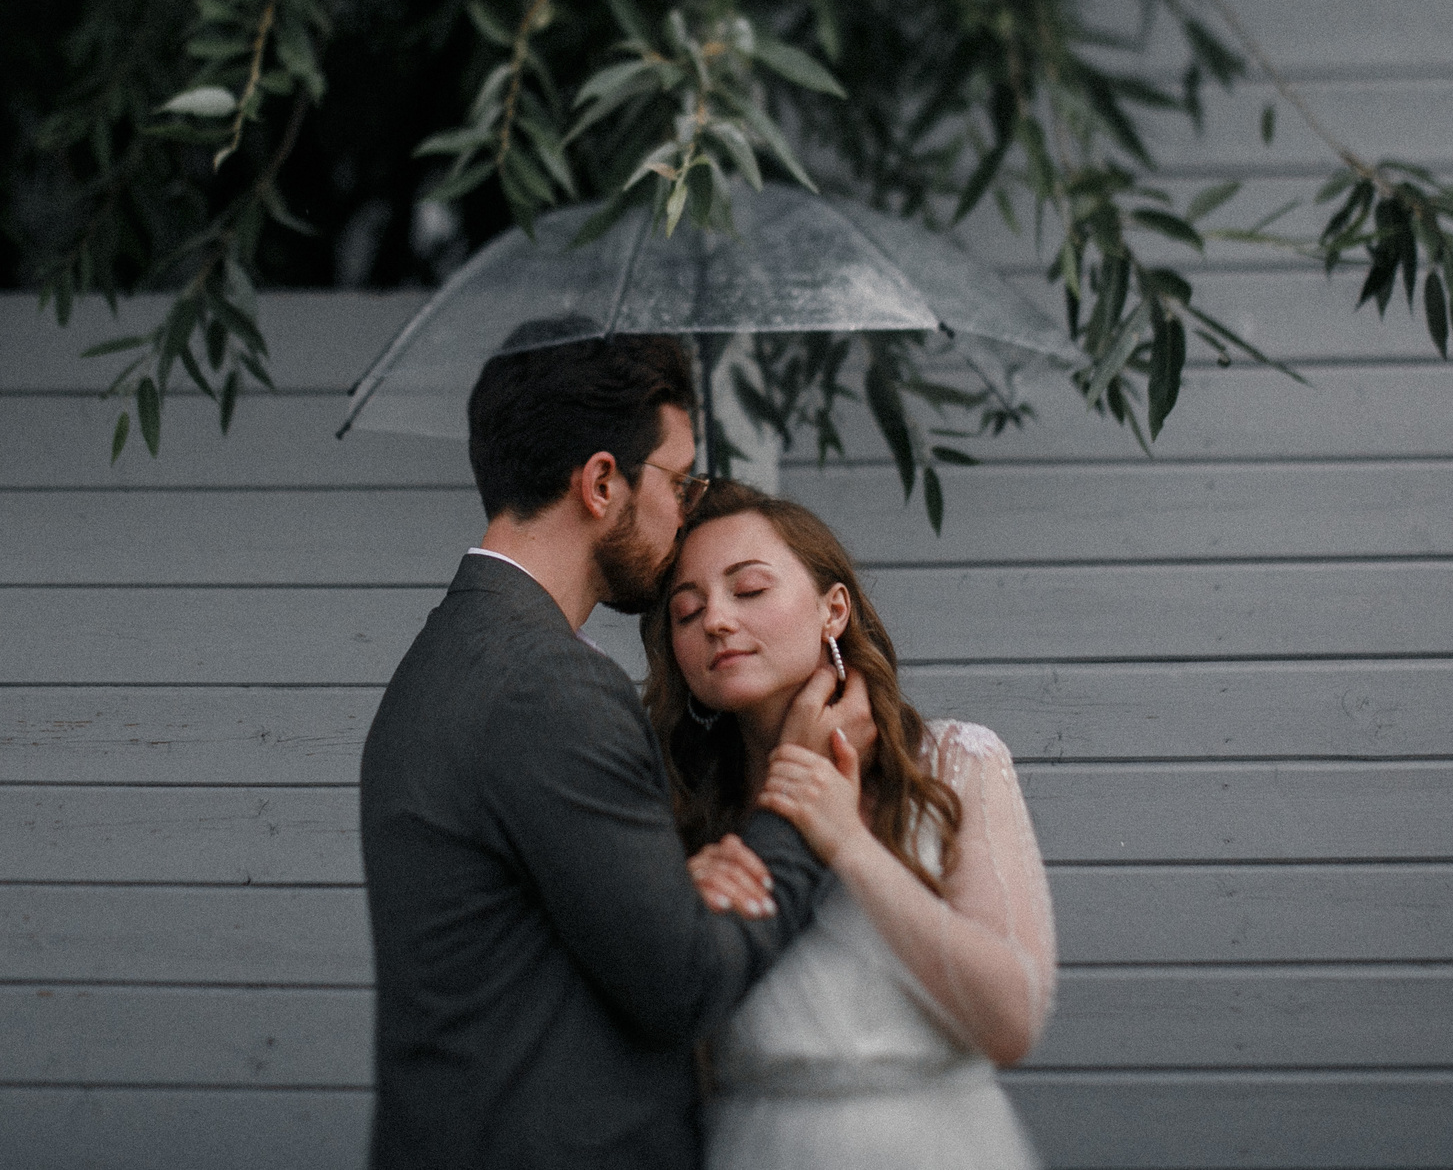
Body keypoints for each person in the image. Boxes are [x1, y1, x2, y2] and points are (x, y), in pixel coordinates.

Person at [360, 325, 875, 1170]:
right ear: (603, 481)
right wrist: (800, 796)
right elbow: (684, 984)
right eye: (676, 478)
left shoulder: (449, 654)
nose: (685, 510)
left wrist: (668, 891)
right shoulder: (550, 686)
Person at [646, 480, 1056, 1170]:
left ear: (833, 609)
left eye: (748, 591)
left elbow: (1011, 1023)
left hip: (943, 1144)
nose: (715, 619)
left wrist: (845, 841)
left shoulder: (957, 763)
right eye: (687, 611)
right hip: (754, 1145)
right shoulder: (674, 801)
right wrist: (667, 908)